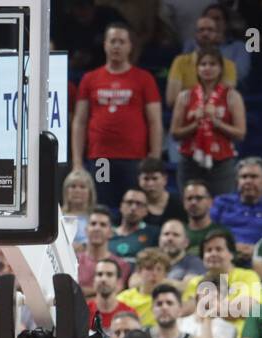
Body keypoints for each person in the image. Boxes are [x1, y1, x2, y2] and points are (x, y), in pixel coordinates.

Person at [71, 24, 163, 205]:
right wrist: (77, 162)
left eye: (122, 42)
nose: (116, 46)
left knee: (133, 205)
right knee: (102, 203)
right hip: (101, 158)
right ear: (105, 44)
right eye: (112, 41)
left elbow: (155, 122)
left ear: (130, 46)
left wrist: (155, 157)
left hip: (134, 158)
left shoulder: (144, 78)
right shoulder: (90, 79)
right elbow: (79, 122)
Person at [169, 48, 244, 198]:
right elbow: (175, 133)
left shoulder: (232, 96)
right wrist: (195, 125)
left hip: (222, 161)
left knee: (220, 206)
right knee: (190, 205)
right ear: (197, 69)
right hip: (190, 160)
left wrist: (217, 122)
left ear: (220, 68)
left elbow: (240, 133)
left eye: (212, 64)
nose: (207, 68)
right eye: (203, 64)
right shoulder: (185, 96)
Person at [209, 159, 262, 263]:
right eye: (244, 177)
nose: (248, 181)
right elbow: (209, 232)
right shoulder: (222, 202)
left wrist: (258, 250)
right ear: (237, 181)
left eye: (254, 177)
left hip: (260, 260)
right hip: (223, 259)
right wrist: (231, 247)